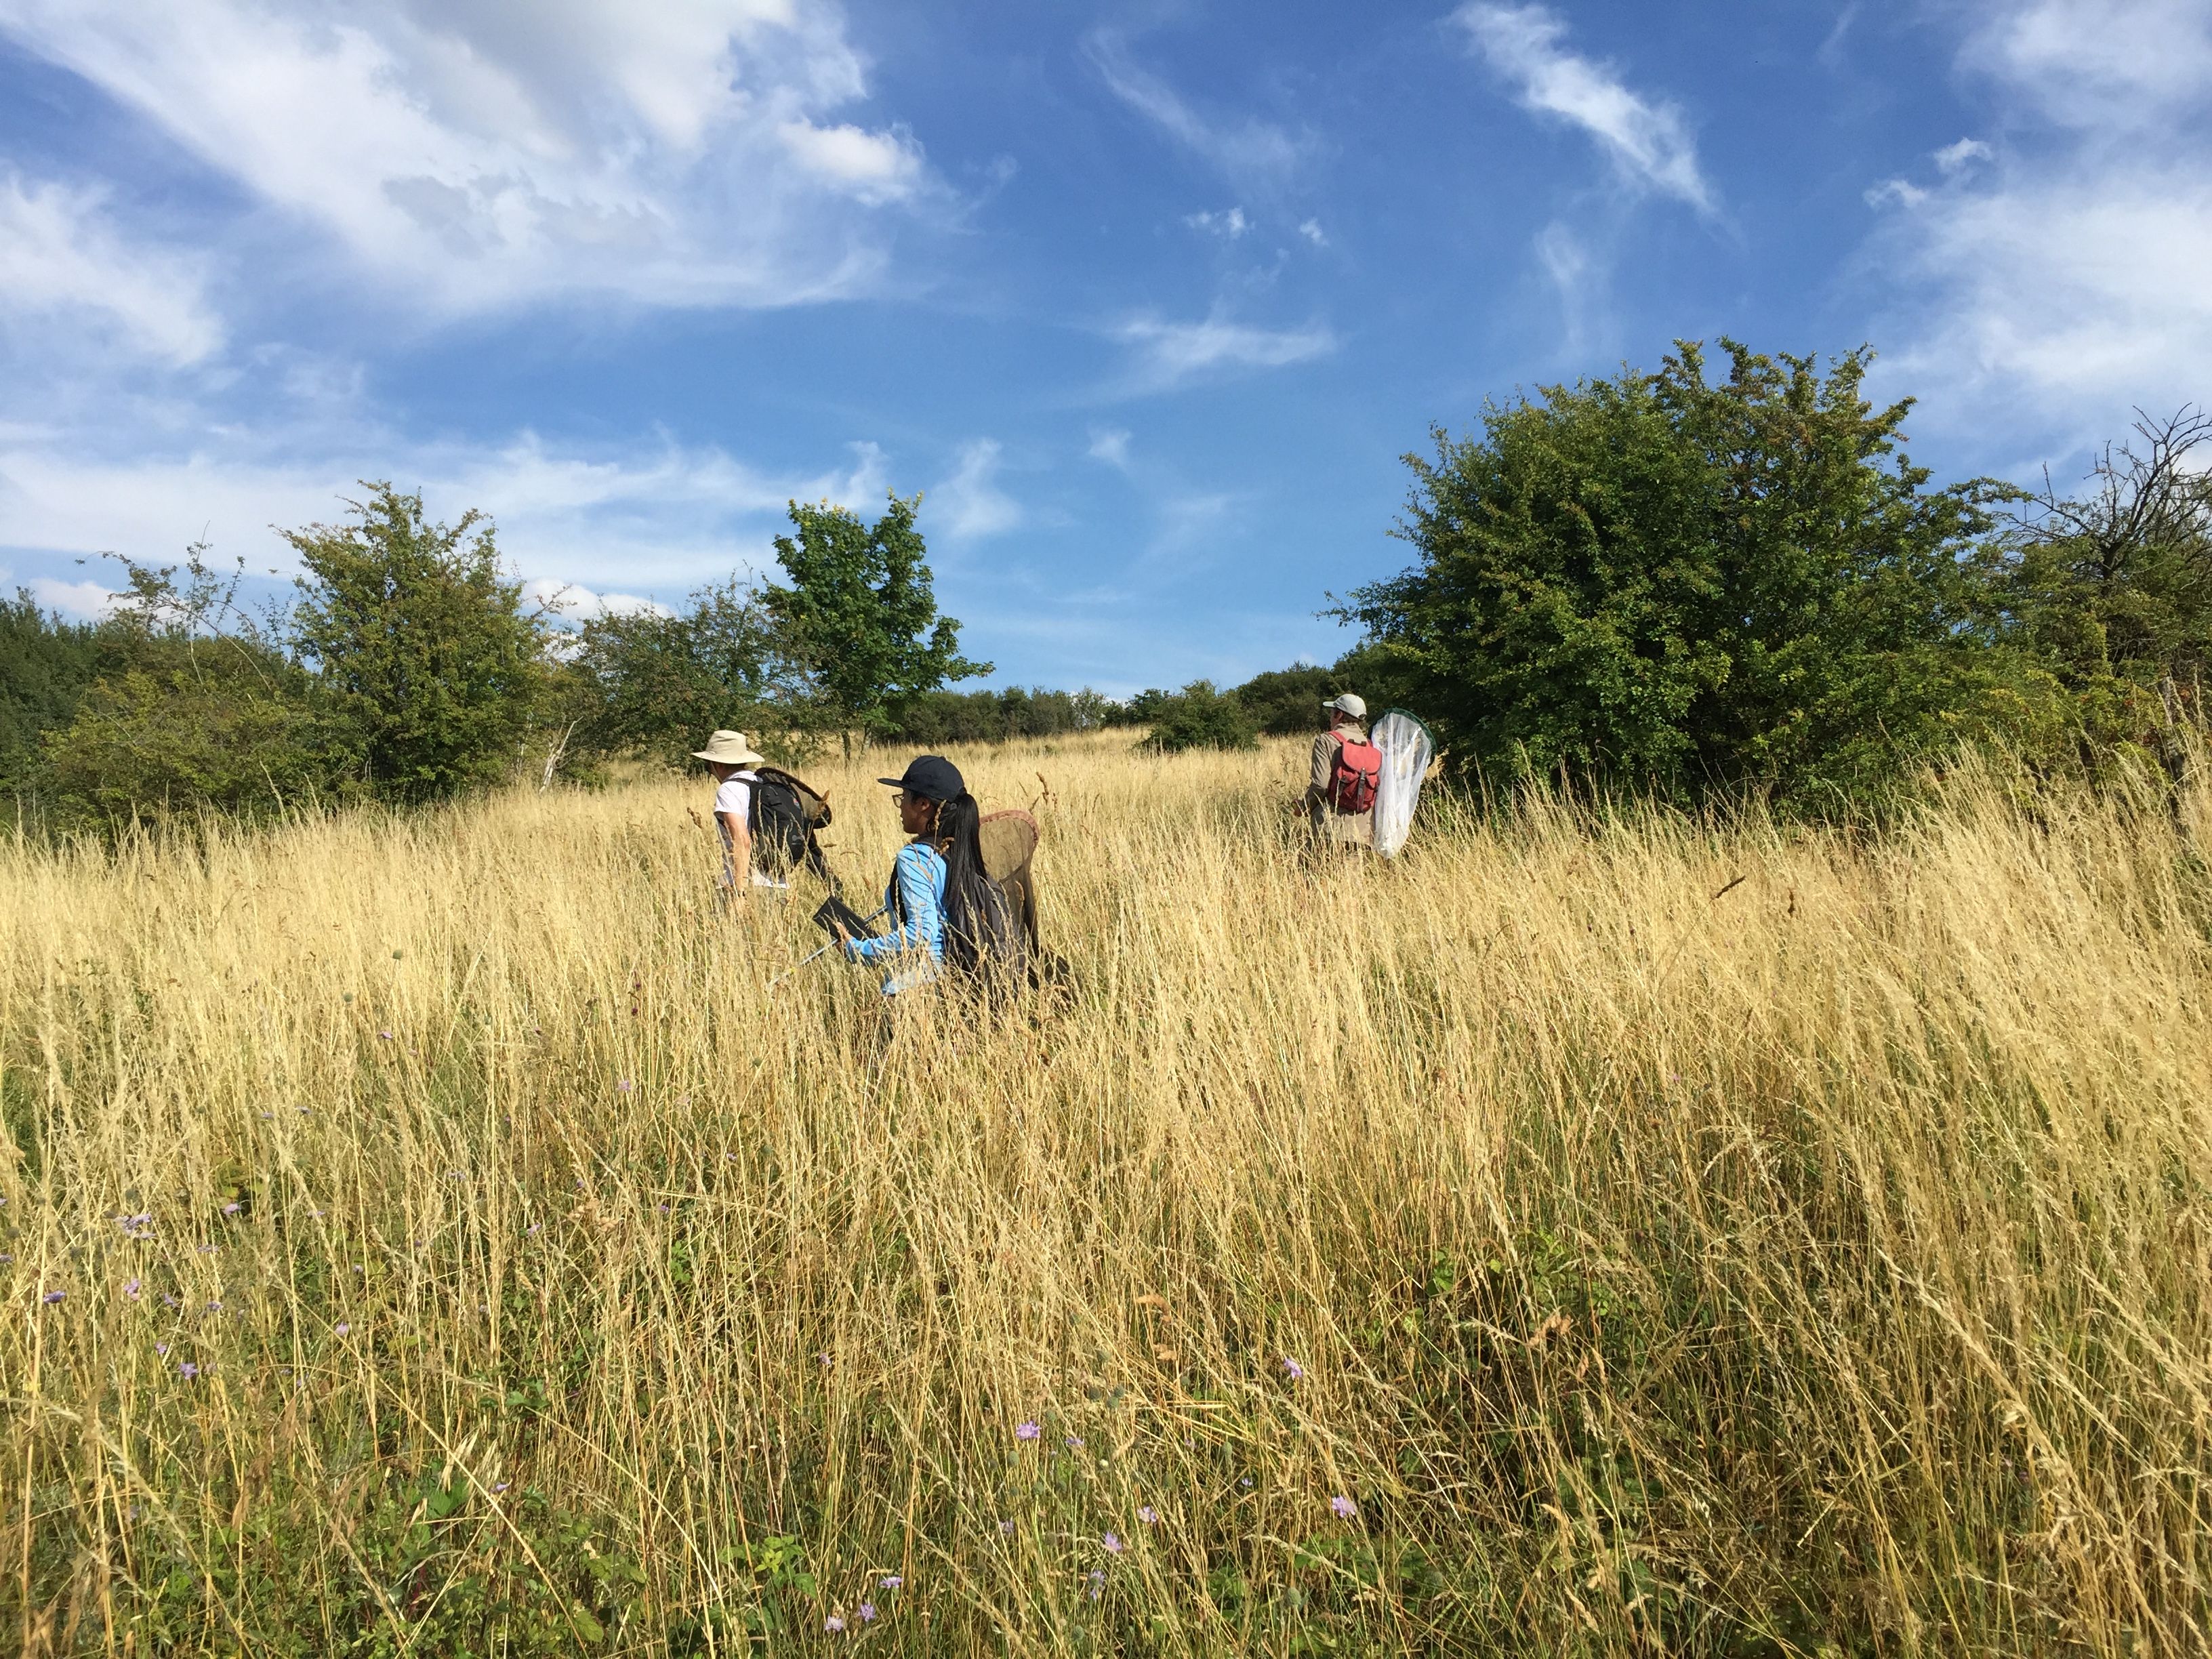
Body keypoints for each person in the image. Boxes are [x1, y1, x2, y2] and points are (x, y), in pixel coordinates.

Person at [837, 755, 1024, 996]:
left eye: (904, 797)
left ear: (924, 804)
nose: (901, 806)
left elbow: (921, 935)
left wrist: (858, 949)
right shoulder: (959, 853)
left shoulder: (914, 857)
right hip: (958, 984)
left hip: (915, 986)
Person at [692, 730, 787, 898]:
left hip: (748, 885)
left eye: (709, 766)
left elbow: (742, 840)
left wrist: (739, 892)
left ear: (718, 764)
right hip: (778, 885)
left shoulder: (728, 789)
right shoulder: (762, 784)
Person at [1302, 693, 1380, 851]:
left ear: (1339, 715)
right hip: (1362, 833)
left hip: (1329, 827)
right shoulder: (1372, 745)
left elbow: (1320, 785)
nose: (1330, 718)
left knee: (1317, 874)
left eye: (1332, 713)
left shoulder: (1326, 740)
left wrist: (1303, 807)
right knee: (1352, 876)